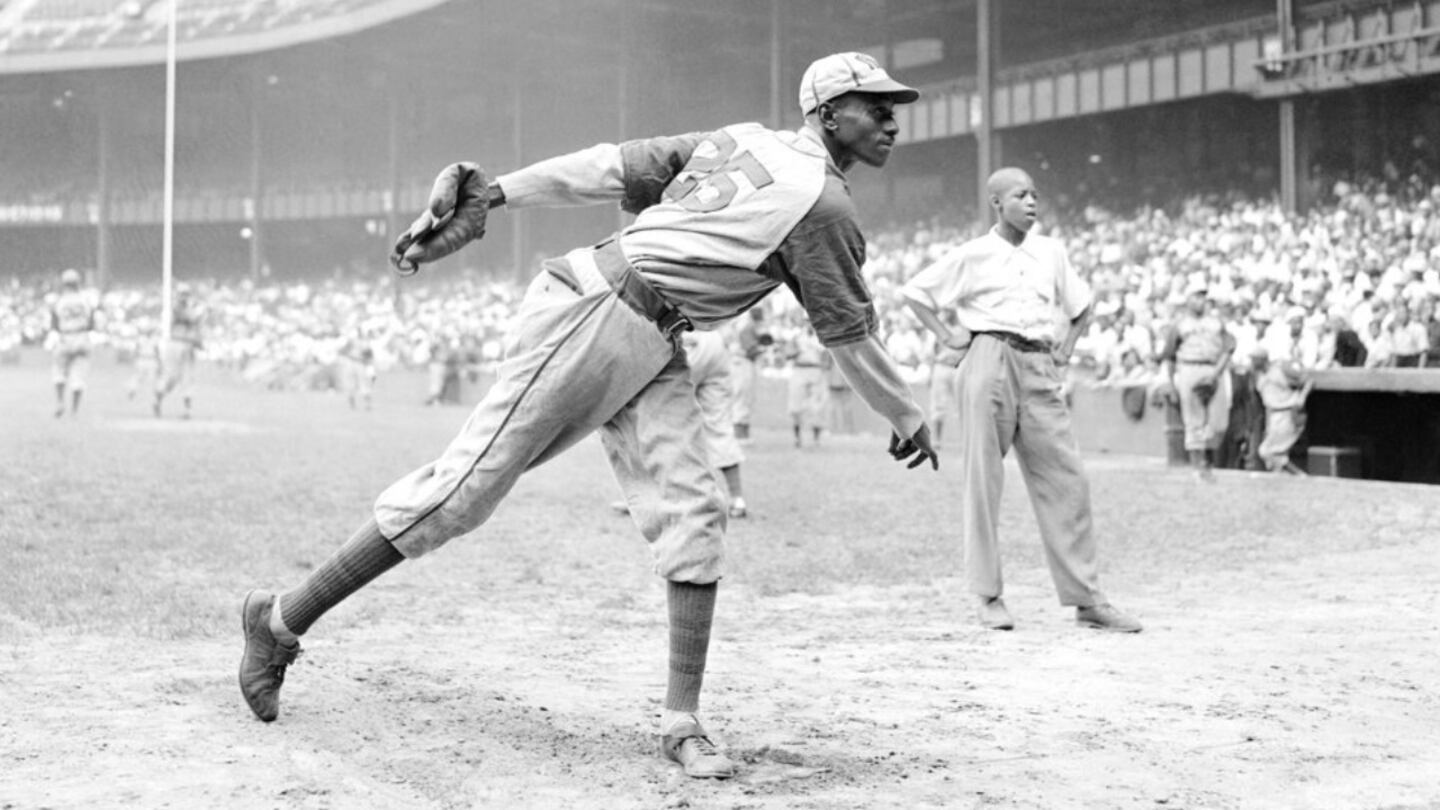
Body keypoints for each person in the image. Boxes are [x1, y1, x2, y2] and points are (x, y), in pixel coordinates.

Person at [237, 51, 938, 780]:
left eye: (892, 107)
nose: (891, 120)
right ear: (828, 113)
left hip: (654, 333)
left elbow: (608, 166)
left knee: (695, 512)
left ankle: (681, 720)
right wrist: (905, 414)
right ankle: (278, 619)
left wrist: (498, 193)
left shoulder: (743, 140)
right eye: (874, 106)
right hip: (597, 312)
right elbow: (848, 335)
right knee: (460, 494)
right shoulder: (822, 203)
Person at [900, 167, 1141, 634]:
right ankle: (987, 595)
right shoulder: (974, 253)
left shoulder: (1051, 251)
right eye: (1020, 195)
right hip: (989, 355)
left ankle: (1087, 599)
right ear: (996, 203)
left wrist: (1066, 347)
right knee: (983, 480)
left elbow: (1082, 305)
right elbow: (916, 293)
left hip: (1039, 361)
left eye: (1035, 195)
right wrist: (947, 335)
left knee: (1068, 479)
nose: (1031, 202)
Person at [1158, 277, 1235, 481]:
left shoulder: (1216, 322)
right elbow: (1169, 355)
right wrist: (1170, 381)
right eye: (1197, 296)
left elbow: (1229, 348)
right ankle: (1199, 467)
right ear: (1188, 299)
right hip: (1189, 368)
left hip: (1213, 368)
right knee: (1193, 421)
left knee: (1218, 424)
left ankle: (1206, 462)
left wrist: (1216, 374)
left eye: (1203, 296)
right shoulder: (1179, 324)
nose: (1201, 300)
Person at [1252, 347, 1313, 474]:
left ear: (1262, 359)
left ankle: (1299, 475)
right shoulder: (1259, 376)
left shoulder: (1280, 370)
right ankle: (1288, 479)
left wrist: (1302, 397)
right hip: (1272, 415)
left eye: (1254, 359)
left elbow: (1308, 380)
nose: (1252, 362)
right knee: (1274, 458)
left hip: (1287, 412)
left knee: (1266, 451)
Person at [46, 268, 97, 418]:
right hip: (81, 337)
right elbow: (91, 324)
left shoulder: (58, 301)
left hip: (64, 337)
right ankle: (74, 411)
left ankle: (60, 402)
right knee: (79, 376)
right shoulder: (86, 300)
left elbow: (54, 325)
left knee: (59, 372)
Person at [154, 283, 206, 419]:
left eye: (186, 294)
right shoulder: (175, 307)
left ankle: (187, 410)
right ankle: (158, 400)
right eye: (183, 294)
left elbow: (195, 327)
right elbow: (189, 318)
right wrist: (200, 311)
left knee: (188, 378)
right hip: (175, 343)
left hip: (187, 345)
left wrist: (199, 342)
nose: (185, 297)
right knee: (172, 377)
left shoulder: (188, 308)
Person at [730, 307, 772, 442]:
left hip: (744, 362)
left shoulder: (749, 326)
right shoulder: (747, 327)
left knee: (746, 397)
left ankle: (742, 432)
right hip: (741, 362)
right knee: (742, 396)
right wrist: (762, 349)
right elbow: (750, 350)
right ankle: (739, 434)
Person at [784, 323, 828, 447]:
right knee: (795, 405)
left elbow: (827, 357)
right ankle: (797, 437)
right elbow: (787, 355)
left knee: (817, 406)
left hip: (816, 370)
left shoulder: (822, 336)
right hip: (800, 369)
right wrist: (798, 349)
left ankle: (816, 439)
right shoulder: (797, 337)